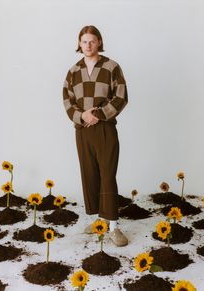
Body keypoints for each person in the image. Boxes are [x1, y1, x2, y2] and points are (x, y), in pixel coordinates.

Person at [63, 25, 128, 246]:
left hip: (105, 128)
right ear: (79, 44)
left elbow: (121, 96)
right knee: (90, 173)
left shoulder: (111, 67)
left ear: (99, 42)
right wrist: (82, 116)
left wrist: (98, 114)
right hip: (83, 130)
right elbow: (67, 100)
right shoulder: (73, 71)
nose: (88, 45)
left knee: (107, 174)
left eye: (92, 41)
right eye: (84, 41)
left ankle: (114, 227)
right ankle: (100, 220)